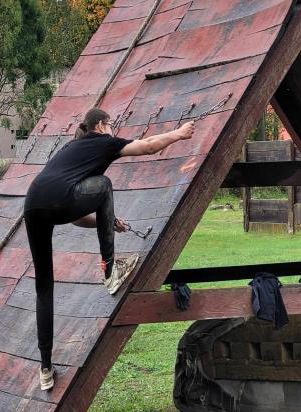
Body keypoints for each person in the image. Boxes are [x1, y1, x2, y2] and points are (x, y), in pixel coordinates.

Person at [24, 108, 194, 390]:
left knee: (44, 288)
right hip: (57, 200)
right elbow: (148, 147)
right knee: (104, 184)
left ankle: (45, 369)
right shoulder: (103, 141)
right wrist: (179, 133)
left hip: (33, 205)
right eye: (111, 125)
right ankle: (110, 270)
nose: (113, 129)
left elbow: (74, 215)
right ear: (101, 126)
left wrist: (109, 221)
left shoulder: (71, 148)